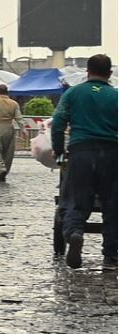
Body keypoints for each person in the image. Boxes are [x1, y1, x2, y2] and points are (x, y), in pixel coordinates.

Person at [51, 54, 116, 270]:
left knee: (75, 202)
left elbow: (58, 123)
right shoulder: (115, 96)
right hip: (112, 155)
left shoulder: (73, 93)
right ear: (110, 74)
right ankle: (110, 257)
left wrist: (59, 151)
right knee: (112, 206)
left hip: (80, 154)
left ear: (87, 72)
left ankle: (75, 233)